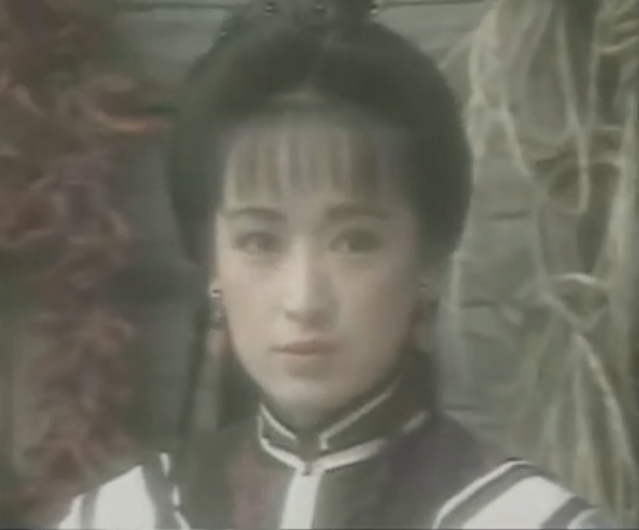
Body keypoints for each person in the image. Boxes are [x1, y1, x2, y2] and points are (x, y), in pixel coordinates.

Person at [56, 0, 618, 528]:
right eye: (259, 241)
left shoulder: (524, 518)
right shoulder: (121, 516)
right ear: (213, 269)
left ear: (427, 262)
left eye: (355, 242)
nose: (304, 299)